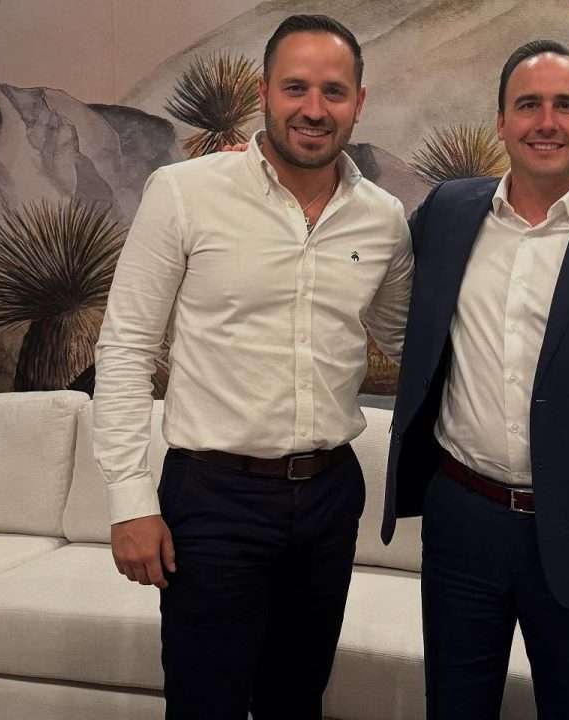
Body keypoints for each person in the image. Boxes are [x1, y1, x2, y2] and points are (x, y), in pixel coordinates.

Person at [93, 14, 412, 720]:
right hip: (213, 499)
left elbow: (405, 339)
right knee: (204, 705)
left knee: (296, 702)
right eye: (295, 87)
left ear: (358, 102)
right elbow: (126, 348)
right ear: (264, 92)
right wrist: (129, 499)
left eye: (333, 91)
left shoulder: (383, 218)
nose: (313, 108)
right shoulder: (183, 192)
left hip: (330, 497)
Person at [381, 40, 569, 719]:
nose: (545, 122)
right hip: (462, 519)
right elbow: (372, 269)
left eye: (565, 106)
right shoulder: (448, 213)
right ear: (501, 122)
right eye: (528, 105)